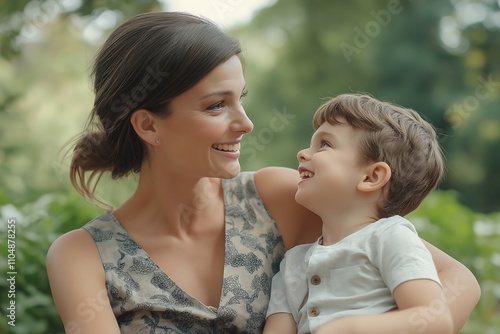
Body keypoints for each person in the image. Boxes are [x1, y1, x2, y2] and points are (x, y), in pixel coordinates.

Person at [45, 11, 479, 334]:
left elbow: (458, 283)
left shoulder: (279, 196)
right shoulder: (81, 256)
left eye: (241, 99)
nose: (246, 123)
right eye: (217, 105)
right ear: (148, 125)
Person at [263, 94, 458, 334]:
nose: (302, 153)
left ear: (371, 177)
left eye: (325, 144)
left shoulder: (391, 237)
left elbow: (435, 320)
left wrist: (348, 328)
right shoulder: (292, 263)